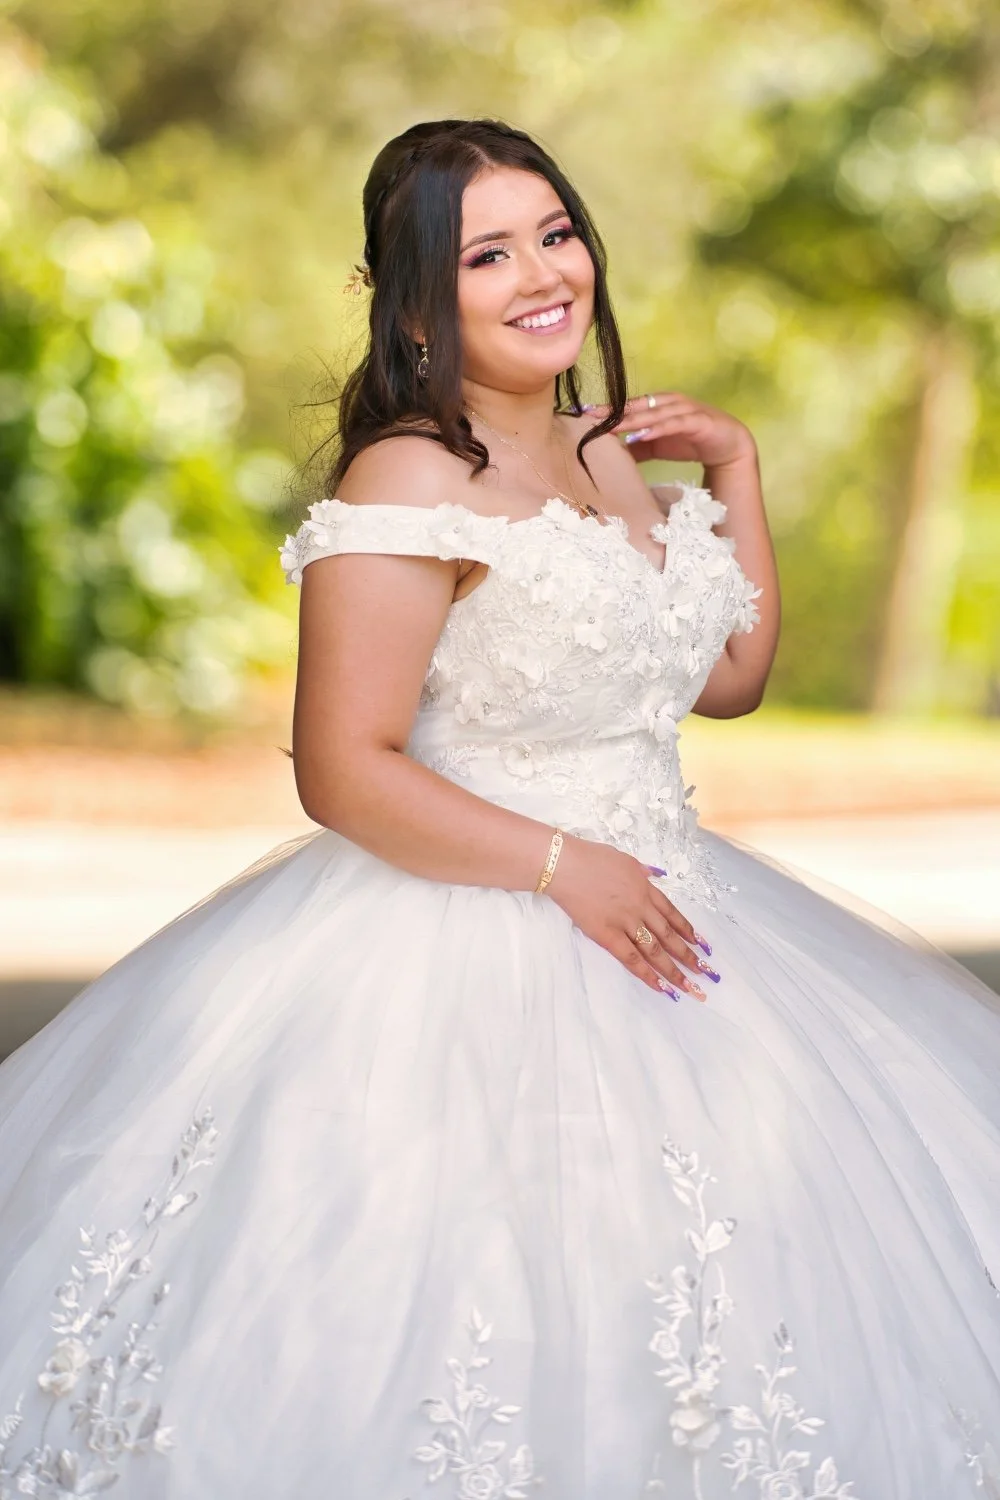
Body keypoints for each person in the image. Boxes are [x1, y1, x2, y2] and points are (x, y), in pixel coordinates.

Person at [0, 118, 998, 1500]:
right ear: (415, 302)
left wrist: (738, 472)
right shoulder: (410, 476)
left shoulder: (611, 454)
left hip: (679, 920)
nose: (543, 273)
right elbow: (342, 768)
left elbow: (729, 680)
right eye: (488, 255)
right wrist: (559, 866)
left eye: (556, 233)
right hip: (473, 920)